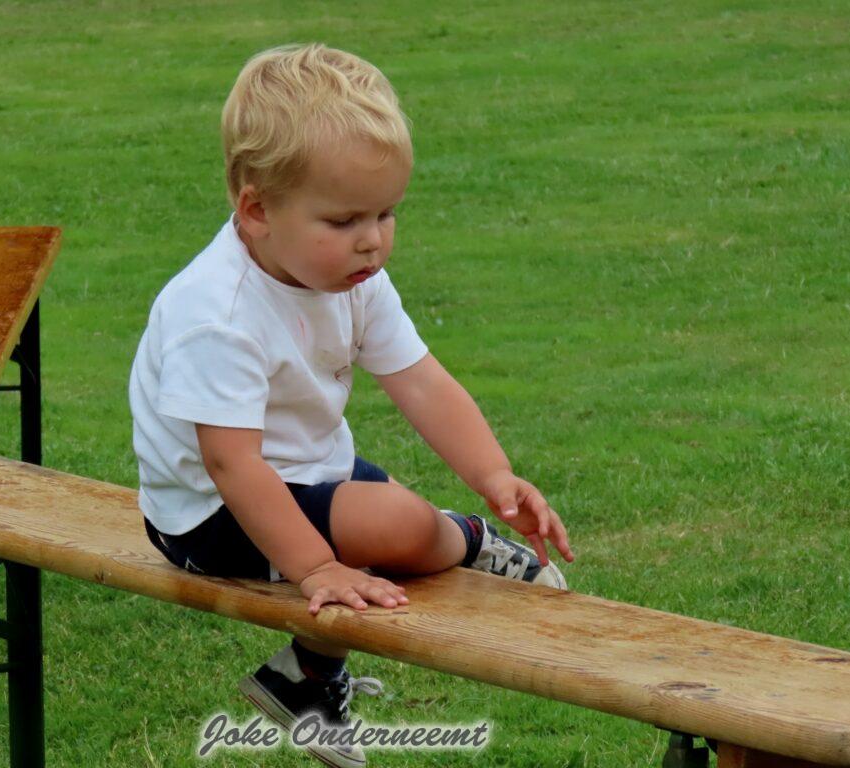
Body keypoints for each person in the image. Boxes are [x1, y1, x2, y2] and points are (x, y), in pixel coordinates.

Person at [129, 42, 575, 767]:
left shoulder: (350, 278)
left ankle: (303, 678)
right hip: (208, 514)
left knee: (395, 519)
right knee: (402, 525)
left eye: (386, 213)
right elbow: (232, 465)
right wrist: (317, 569)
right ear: (256, 209)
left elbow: (421, 380)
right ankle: (469, 540)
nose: (372, 242)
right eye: (343, 221)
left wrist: (496, 475)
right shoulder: (218, 314)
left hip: (302, 470)